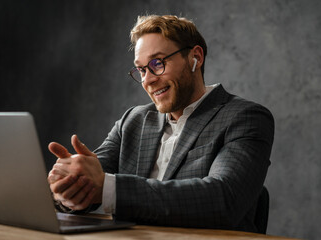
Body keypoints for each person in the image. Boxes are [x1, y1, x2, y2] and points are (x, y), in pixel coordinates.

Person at [47, 15, 274, 232]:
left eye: (157, 63)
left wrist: (108, 189)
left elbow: (224, 199)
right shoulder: (133, 121)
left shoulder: (245, 117)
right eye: (142, 69)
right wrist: (69, 186)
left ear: (196, 57)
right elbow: (93, 180)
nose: (148, 80)